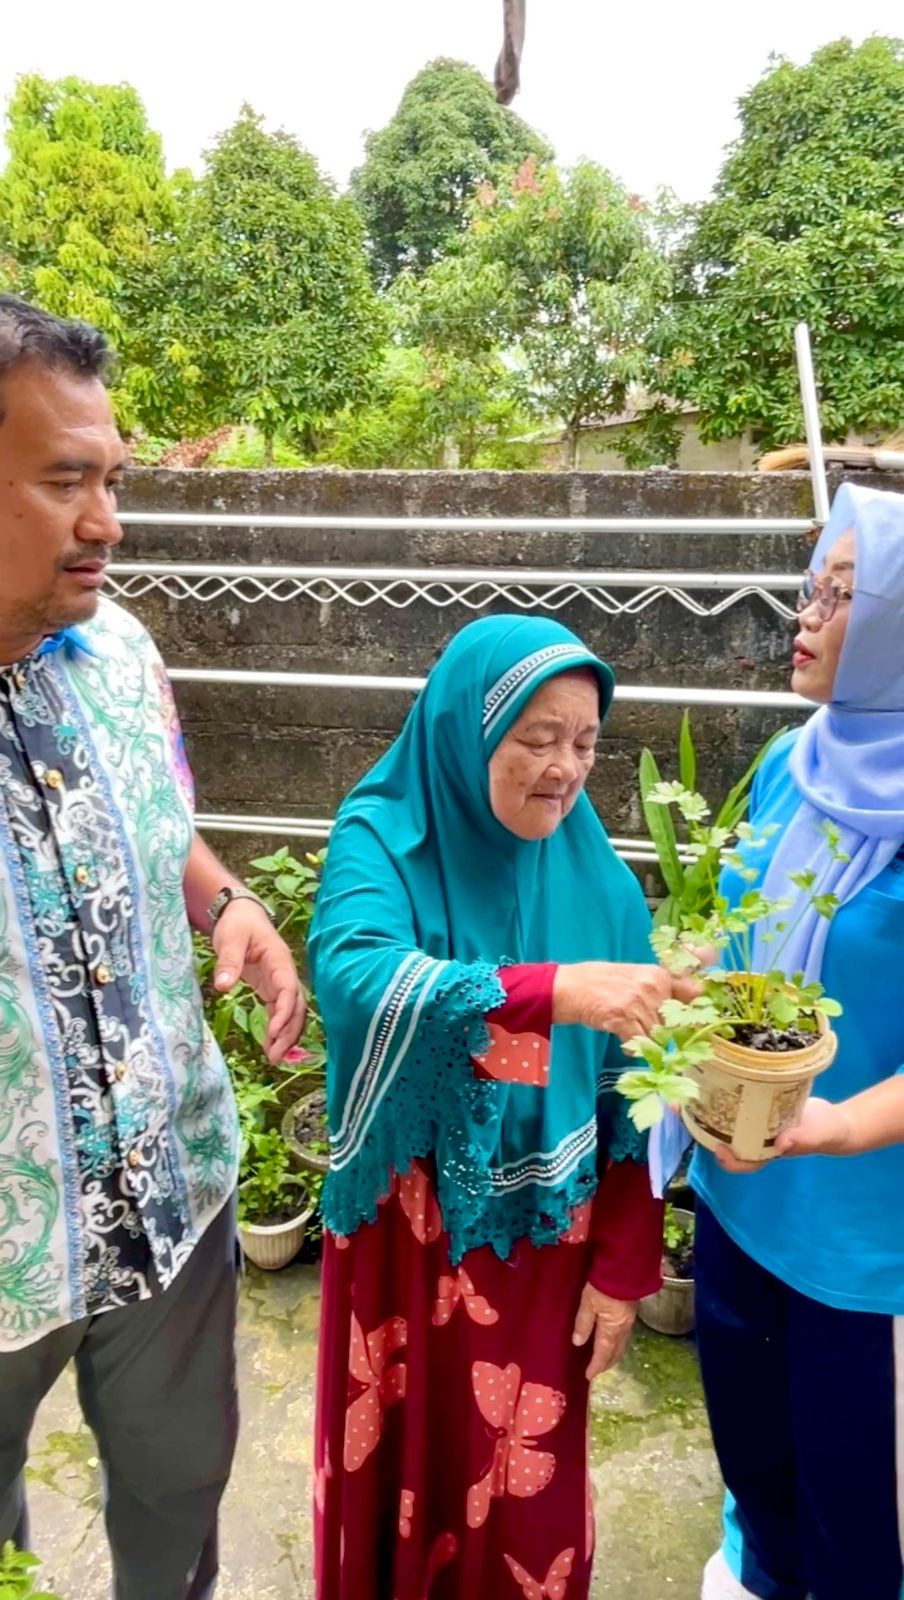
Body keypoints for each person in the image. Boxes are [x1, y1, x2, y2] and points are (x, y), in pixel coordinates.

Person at [0, 296, 305, 1600]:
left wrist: (227, 900)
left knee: (178, 1515)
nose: (109, 522)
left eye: (111, 479)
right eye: (67, 481)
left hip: (169, 1201)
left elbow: (157, 819)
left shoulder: (121, 649)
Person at [309, 613, 701, 1600]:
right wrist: (549, 989)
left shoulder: (596, 877)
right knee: (400, 1458)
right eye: (536, 736)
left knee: (525, 1491)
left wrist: (622, 1266)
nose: (565, 768)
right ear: (468, 728)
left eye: (584, 741)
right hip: (406, 1241)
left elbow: (631, 1095)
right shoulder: (383, 836)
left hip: (541, 1249)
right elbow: (357, 973)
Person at [690, 484, 904, 1600]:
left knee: (860, 1513)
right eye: (810, 587)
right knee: (757, 1472)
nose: (805, 618)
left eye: (842, 596)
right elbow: (731, 935)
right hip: (741, 1185)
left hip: (866, 1246)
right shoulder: (792, 761)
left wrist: (832, 1126)